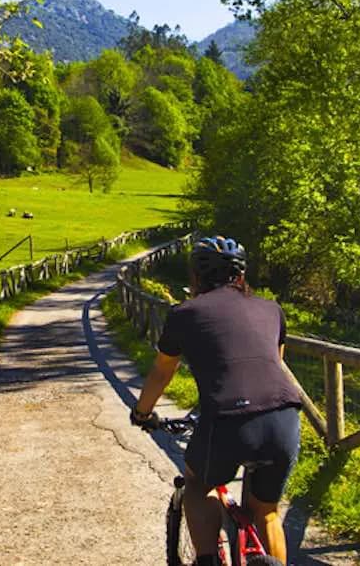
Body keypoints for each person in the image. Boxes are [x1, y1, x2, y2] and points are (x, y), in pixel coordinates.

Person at [131, 236, 301, 565]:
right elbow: (274, 365)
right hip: (284, 416)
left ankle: (207, 559)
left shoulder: (185, 313)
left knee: (198, 484)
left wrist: (142, 413)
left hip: (227, 420)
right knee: (266, 511)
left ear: (195, 276)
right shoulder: (271, 309)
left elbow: (162, 372)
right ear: (241, 275)